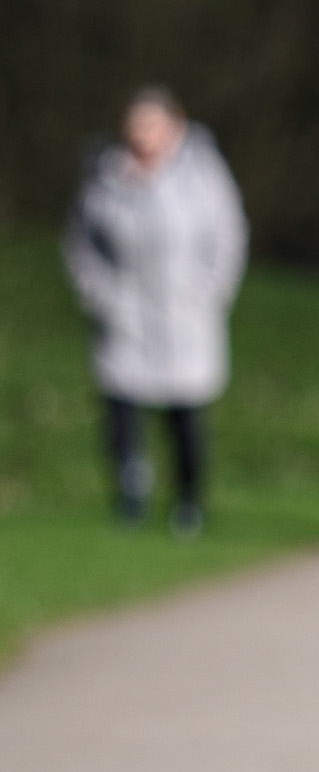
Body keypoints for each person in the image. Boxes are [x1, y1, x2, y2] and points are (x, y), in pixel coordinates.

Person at [63, 85, 248, 536]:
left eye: (152, 125)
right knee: (121, 410)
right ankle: (131, 495)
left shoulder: (202, 174)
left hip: (186, 314)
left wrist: (209, 293)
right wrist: (100, 294)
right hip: (124, 314)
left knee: (184, 414)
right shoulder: (105, 175)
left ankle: (189, 500)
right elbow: (80, 243)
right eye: (136, 126)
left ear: (175, 128)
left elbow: (227, 237)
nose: (143, 135)